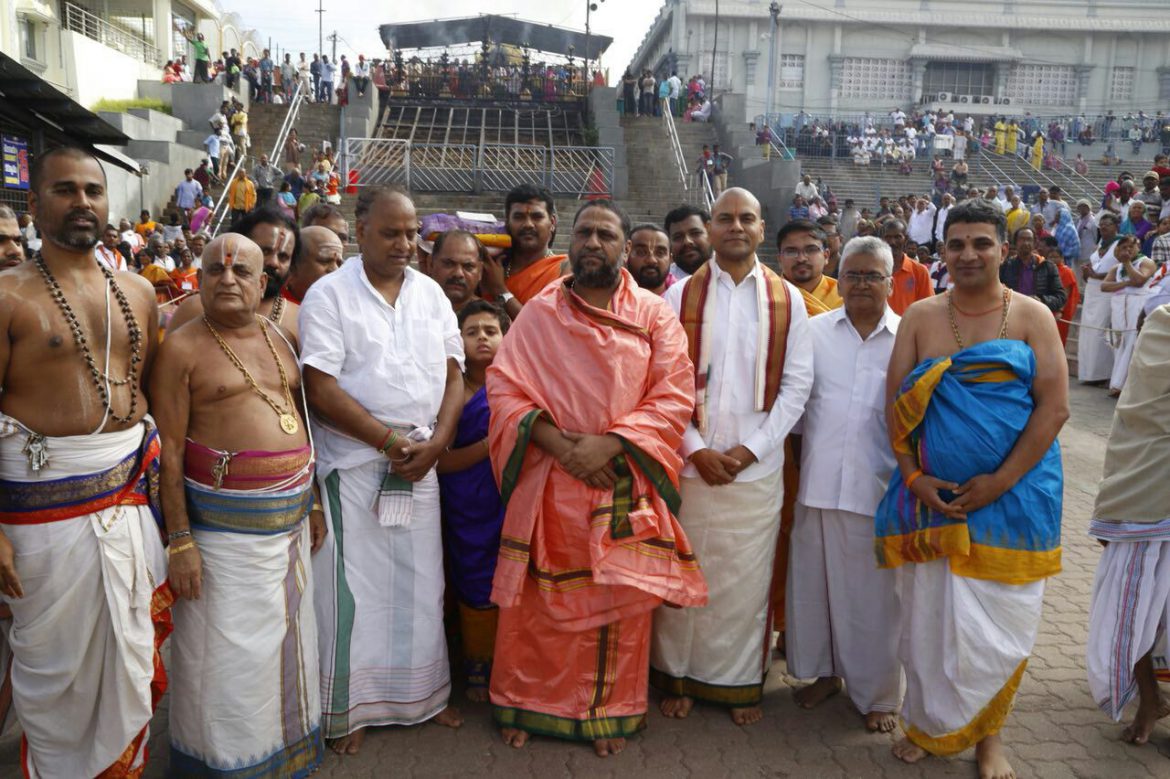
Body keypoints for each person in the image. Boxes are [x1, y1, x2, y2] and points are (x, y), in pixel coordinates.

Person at [487, 199, 705, 754]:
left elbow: (674, 393)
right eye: (584, 232)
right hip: (552, 477)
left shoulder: (654, 316)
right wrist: (562, 446)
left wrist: (609, 444)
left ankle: (607, 713)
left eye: (606, 234)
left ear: (624, 247)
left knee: (616, 604)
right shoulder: (541, 310)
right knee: (540, 605)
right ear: (571, 239)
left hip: (619, 476)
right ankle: (527, 706)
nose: (592, 243)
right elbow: (505, 387)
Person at [878, 198, 1067, 779]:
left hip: (1015, 499)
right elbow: (894, 410)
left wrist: (1000, 482)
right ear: (943, 252)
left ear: (1004, 251)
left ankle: (989, 741)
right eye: (956, 244)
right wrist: (913, 477)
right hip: (932, 500)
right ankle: (926, 724)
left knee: (999, 631)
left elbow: (1054, 410)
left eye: (981, 243)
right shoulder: (920, 318)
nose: (968, 254)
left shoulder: (1033, 316)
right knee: (929, 623)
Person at [0, 146, 170, 777]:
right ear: (36, 203)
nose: (82, 203)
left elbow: (147, 393)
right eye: (65, 190)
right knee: (56, 673)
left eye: (93, 191)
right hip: (40, 515)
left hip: (127, 498)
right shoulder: (8, 294)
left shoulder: (139, 293)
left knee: (126, 662)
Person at [151, 234, 325, 776]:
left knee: (285, 645)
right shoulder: (181, 347)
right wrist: (180, 542)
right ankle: (222, 764)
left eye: (241, 272)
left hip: (291, 524)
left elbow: (304, 424)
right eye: (214, 271)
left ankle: (281, 756)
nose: (228, 280)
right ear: (198, 280)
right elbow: (169, 452)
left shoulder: (281, 336)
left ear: (262, 283)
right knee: (224, 660)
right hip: (221, 538)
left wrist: (314, 502)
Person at [300, 187, 464, 754]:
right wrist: (388, 441)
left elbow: (454, 374)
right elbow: (319, 387)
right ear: (360, 230)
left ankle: (422, 698)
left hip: (421, 464)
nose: (404, 244)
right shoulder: (329, 295)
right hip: (356, 463)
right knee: (351, 591)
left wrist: (437, 442)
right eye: (391, 232)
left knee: (422, 586)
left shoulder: (432, 294)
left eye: (412, 232)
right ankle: (350, 707)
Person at [652, 188, 813, 726]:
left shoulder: (790, 300)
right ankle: (678, 676)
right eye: (725, 218)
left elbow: (796, 388)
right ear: (710, 228)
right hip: (690, 465)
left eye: (747, 218)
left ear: (762, 230)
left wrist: (748, 452)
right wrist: (696, 451)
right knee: (685, 572)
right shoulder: (677, 299)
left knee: (745, 583)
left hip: (756, 470)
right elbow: (667, 383)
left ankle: (739, 683)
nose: (736, 227)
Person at [787, 236, 903, 733]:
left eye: (871, 275)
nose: (860, 284)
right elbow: (795, 413)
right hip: (816, 482)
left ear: (890, 282)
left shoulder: (909, 337)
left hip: (876, 491)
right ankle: (824, 674)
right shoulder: (812, 332)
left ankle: (878, 695)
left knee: (874, 601)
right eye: (852, 274)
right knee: (814, 588)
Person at [1086, 303, 1170, 745]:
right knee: (1136, 606)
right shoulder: (1164, 323)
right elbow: (1138, 419)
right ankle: (1150, 698)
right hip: (1151, 485)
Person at [436, 300, 509, 703]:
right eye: (472, 331)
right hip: (466, 504)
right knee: (473, 577)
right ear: (457, 341)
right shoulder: (453, 390)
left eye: (491, 330)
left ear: (506, 336)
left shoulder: (517, 385)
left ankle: (510, 661)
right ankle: (477, 664)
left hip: (509, 498)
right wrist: (489, 444)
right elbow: (441, 462)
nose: (482, 337)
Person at [166, 206, 302, 339]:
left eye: (283, 257)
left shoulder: (300, 320)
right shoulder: (193, 310)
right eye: (265, 251)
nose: (274, 262)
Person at [1101, 235, 1156, 396]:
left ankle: (1122, 386)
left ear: (1138, 247)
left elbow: (1139, 280)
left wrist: (1127, 263)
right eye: (1124, 248)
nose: (1127, 250)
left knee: (1133, 343)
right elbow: (1104, 286)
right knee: (1120, 344)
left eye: (1131, 247)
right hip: (1119, 310)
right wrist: (1125, 283)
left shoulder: (1146, 262)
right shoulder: (1117, 268)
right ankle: (1117, 383)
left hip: (1137, 309)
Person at [500, 184, 569, 304]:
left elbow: (546, 323)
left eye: (537, 217)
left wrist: (500, 291)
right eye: (519, 217)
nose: (528, 224)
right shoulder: (492, 267)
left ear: (552, 222)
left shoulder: (564, 268)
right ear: (507, 222)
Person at [1079, 213, 1121, 383]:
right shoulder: (1100, 245)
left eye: (1107, 224)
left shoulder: (1120, 243)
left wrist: (1096, 275)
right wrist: (1087, 274)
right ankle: (1088, 373)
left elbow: (1121, 270)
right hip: (1091, 291)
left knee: (1100, 332)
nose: (1103, 228)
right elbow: (1091, 272)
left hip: (1107, 292)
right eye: (1101, 225)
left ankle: (1103, 374)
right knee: (1088, 331)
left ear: (1115, 226)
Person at [999, 228, 1067, 313]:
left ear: (1035, 243)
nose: (1026, 243)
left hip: (1038, 315)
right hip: (1011, 314)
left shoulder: (1047, 267)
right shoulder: (1005, 266)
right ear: (1015, 242)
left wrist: (1041, 301)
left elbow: (1061, 297)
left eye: (1029, 239)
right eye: (1022, 239)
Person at [879, 219, 934, 315]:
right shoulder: (872, 270)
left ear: (906, 239)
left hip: (908, 329)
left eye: (897, 237)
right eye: (888, 237)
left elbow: (928, 309)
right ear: (881, 239)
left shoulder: (920, 271)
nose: (892, 242)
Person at [281, 225, 342, 305]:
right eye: (325, 261)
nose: (335, 270)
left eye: (339, 264)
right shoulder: (271, 309)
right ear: (292, 268)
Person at [664, 204, 712, 280]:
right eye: (678, 237)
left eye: (695, 233)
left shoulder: (732, 274)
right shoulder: (661, 283)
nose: (687, 241)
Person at [626, 223, 673, 295]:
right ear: (626, 254)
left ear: (671, 259)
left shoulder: (684, 295)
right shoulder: (608, 295)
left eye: (660, 253)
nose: (651, 260)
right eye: (641, 252)